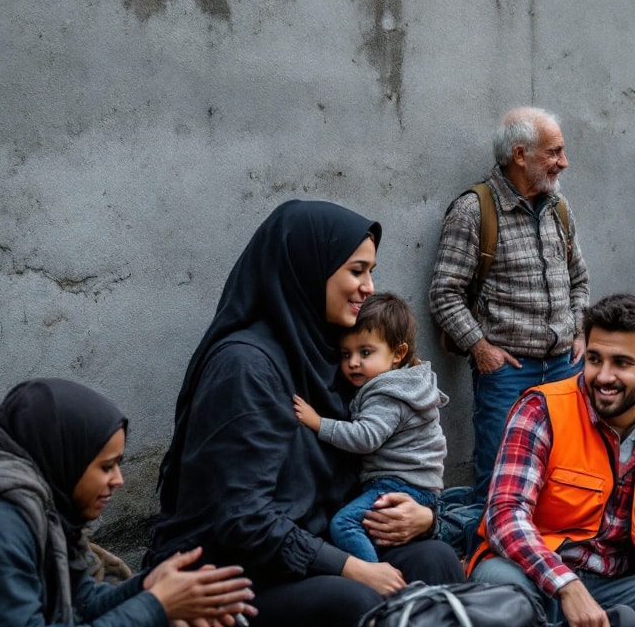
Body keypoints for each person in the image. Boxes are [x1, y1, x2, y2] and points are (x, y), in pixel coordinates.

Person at [148, 200, 464, 626]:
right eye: (357, 270)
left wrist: (421, 518)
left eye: (370, 271)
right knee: (354, 599)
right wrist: (351, 567)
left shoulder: (331, 358)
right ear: (309, 269)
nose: (369, 286)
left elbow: (361, 476)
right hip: (237, 575)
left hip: (314, 546)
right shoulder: (246, 367)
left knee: (436, 559)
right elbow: (243, 519)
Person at [468, 294, 635, 627]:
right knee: (500, 586)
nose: (603, 376)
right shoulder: (541, 410)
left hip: (620, 586)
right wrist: (565, 584)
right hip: (540, 576)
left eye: (622, 363)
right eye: (595, 359)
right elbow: (505, 515)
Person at [0, 378, 257, 626]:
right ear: (64, 456)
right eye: (106, 467)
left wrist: (150, 584)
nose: (119, 480)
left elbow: (83, 602)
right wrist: (157, 605)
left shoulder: (44, 506)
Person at [429, 107, 589, 503]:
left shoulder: (558, 208)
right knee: (503, 482)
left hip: (566, 367)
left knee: (566, 473)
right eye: (553, 152)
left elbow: (579, 280)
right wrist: (481, 350)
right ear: (520, 155)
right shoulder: (473, 210)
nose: (563, 163)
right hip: (507, 374)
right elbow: (444, 292)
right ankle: (491, 559)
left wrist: (580, 330)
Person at [292, 292, 448, 564]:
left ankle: (375, 576)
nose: (353, 362)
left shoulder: (386, 394)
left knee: (344, 525)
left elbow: (365, 438)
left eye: (365, 352)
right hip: (421, 488)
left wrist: (318, 423)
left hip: (399, 485)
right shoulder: (411, 382)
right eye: (346, 354)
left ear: (398, 353)